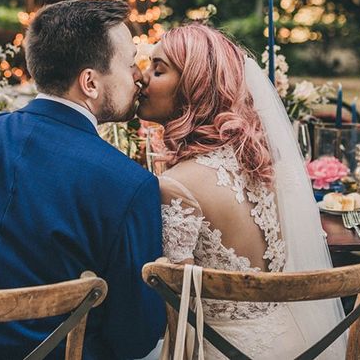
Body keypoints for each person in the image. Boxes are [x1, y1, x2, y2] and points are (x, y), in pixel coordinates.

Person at [0, 0, 165, 359]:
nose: (138, 75)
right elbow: (135, 335)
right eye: (131, 63)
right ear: (89, 82)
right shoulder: (129, 184)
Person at [138, 23, 345, 359]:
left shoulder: (176, 185)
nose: (143, 78)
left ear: (193, 86)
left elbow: (179, 312)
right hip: (302, 343)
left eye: (158, 70)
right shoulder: (262, 162)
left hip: (224, 351)